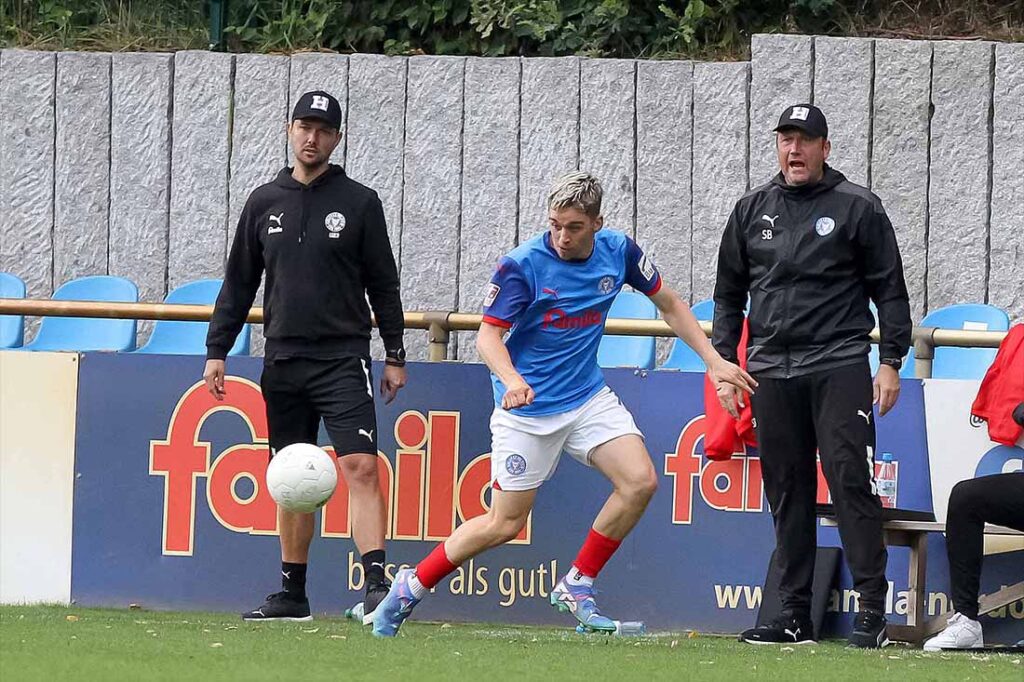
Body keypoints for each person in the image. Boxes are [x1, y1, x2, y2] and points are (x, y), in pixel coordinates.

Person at [372, 171, 756, 637]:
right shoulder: (523, 265)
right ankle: (410, 586)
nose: (561, 237)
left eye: (573, 227)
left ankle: (577, 584)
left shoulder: (619, 251)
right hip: (527, 411)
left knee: (639, 482)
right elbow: (489, 337)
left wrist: (714, 361)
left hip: (587, 398)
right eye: (554, 225)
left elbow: (670, 304)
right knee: (504, 523)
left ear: (597, 223)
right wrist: (512, 379)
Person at [204, 90, 407, 623]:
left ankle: (376, 586)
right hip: (283, 361)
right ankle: (292, 594)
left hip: (342, 358)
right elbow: (238, 282)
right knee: (291, 475)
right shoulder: (262, 201)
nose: (311, 137)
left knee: (361, 466)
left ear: (336, 138)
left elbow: (383, 283)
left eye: (322, 129)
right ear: (290, 130)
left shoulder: (360, 202)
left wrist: (395, 352)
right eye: (303, 126)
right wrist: (217, 348)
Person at [713, 104, 912, 648]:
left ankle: (872, 612)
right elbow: (728, 295)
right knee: (787, 489)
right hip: (770, 370)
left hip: (838, 362)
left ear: (825, 147)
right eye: (786, 139)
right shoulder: (751, 209)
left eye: (805, 140)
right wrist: (725, 365)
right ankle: (794, 614)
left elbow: (890, 290)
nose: (794, 150)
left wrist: (891, 360)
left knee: (849, 480)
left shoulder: (858, 206)